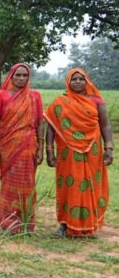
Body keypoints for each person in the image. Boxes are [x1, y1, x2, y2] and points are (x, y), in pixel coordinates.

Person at [45, 69, 113, 237]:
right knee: (69, 185)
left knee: (91, 184)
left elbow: (105, 125)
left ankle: (91, 225)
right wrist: (49, 150)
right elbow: (51, 127)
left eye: (80, 79)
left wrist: (109, 148)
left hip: (92, 150)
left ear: (87, 81)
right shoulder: (61, 101)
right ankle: (64, 224)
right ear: (68, 82)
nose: (77, 82)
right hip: (68, 152)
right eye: (73, 79)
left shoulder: (97, 101)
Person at [0, 63, 44, 233]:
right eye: (18, 75)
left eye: (25, 76)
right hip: (7, 146)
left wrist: (41, 148)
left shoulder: (34, 96)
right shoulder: (1, 95)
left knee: (27, 184)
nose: (21, 79)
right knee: (9, 185)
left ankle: (26, 223)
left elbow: (39, 124)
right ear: (11, 76)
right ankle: (8, 223)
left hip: (29, 146)